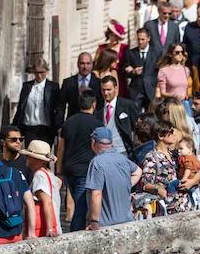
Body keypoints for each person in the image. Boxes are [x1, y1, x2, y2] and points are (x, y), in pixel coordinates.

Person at [57, 90, 101, 232]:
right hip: (85, 171)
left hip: (69, 169)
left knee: (78, 205)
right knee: (81, 208)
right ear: (94, 104)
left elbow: (60, 148)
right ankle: (74, 236)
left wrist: (59, 171)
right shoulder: (96, 124)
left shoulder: (68, 122)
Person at [84, 127, 141, 230]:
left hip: (105, 225)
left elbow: (96, 193)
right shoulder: (122, 159)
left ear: (93, 142)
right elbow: (138, 172)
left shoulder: (97, 163)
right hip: (128, 222)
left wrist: (94, 221)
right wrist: (126, 185)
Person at [133, 118, 181, 216]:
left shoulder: (173, 154)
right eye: (171, 132)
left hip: (178, 204)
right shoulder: (151, 157)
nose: (174, 134)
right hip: (165, 206)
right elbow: (145, 183)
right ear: (160, 136)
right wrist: (158, 189)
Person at [12, 59, 61, 146]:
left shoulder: (53, 87)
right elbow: (21, 107)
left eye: (42, 72)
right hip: (29, 128)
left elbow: (58, 108)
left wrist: (58, 126)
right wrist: (14, 126)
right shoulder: (27, 86)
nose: (39, 75)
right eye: (36, 72)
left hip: (46, 129)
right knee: (31, 154)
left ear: (46, 71)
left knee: (44, 155)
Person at [24, 140, 62, 237]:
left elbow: (47, 202)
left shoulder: (39, 176)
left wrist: (49, 228)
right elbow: (59, 183)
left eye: (29, 156)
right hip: (56, 224)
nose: (27, 158)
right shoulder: (49, 173)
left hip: (44, 228)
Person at [97, 74, 139, 157]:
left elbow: (137, 127)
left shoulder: (127, 105)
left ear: (116, 89)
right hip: (104, 153)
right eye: (103, 90)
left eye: (109, 90)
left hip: (123, 151)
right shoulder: (98, 107)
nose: (105, 93)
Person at [122, 26, 162, 111]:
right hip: (136, 90)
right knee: (135, 114)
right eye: (138, 39)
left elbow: (160, 70)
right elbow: (125, 70)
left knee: (151, 114)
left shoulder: (156, 52)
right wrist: (133, 72)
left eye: (142, 39)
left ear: (148, 38)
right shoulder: (131, 53)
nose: (140, 42)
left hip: (151, 89)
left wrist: (158, 88)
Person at [60, 51, 100, 122]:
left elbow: (101, 105)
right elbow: (60, 106)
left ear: (92, 65)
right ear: (78, 64)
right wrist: (60, 126)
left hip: (93, 122)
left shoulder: (98, 83)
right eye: (82, 63)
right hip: (73, 122)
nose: (85, 67)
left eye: (88, 63)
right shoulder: (68, 83)